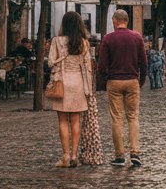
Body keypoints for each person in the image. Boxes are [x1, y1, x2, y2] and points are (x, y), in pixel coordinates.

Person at [98, 9, 147, 168]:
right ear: (127, 21)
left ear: (114, 20)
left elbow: (102, 65)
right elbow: (144, 62)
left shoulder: (108, 39)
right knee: (133, 117)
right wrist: (141, 80)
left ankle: (119, 156)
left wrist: (105, 80)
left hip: (114, 81)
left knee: (117, 118)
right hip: (132, 80)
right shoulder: (137, 37)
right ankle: (135, 152)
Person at [48, 12, 94, 169]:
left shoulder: (57, 41)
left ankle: (65, 155)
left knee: (62, 120)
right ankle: (75, 156)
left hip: (61, 82)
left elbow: (50, 62)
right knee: (76, 120)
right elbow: (87, 67)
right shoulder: (84, 43)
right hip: (78, 83)